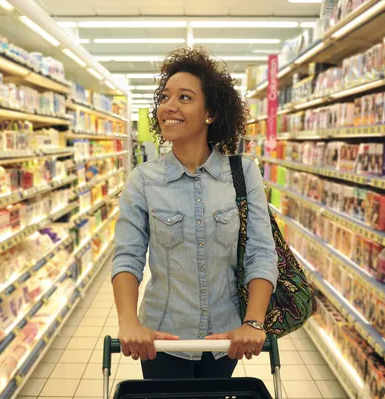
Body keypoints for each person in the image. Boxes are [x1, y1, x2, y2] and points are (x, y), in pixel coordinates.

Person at [111, 47, 278, 380]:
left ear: (210, 113)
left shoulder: (244, 174)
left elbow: (261, 253)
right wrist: (129, 321)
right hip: (162, 339)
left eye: (184, 98)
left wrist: (253, 322)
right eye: (164, 97)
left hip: (225, 339)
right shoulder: (143, 180)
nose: (168, 107)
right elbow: (127, 256)